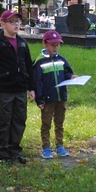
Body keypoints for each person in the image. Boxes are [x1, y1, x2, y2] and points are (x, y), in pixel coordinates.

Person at [0, 10, 35, 164]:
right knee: (3, 121)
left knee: (19, 120)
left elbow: (28, 67)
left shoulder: (22, 43)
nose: (16, 24)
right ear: (3, 24)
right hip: (3, 90)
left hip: (20, 89)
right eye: (12, 22)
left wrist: (31, 88)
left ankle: (15, 150)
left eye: (17, 22)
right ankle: (1, 153)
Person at [33, 30, 76, 159]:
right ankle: (46, 148)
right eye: (52, 45)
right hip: (47, 99)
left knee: (59, 122)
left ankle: (60, 146)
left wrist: (72, 76)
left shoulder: (61, 60)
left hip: (60, 97)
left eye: (57, 45)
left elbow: (67, 73)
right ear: (44, 44)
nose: (55, 48)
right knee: (46, 123)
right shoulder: (39, 62)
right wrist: (39, 100)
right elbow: (37, 83)